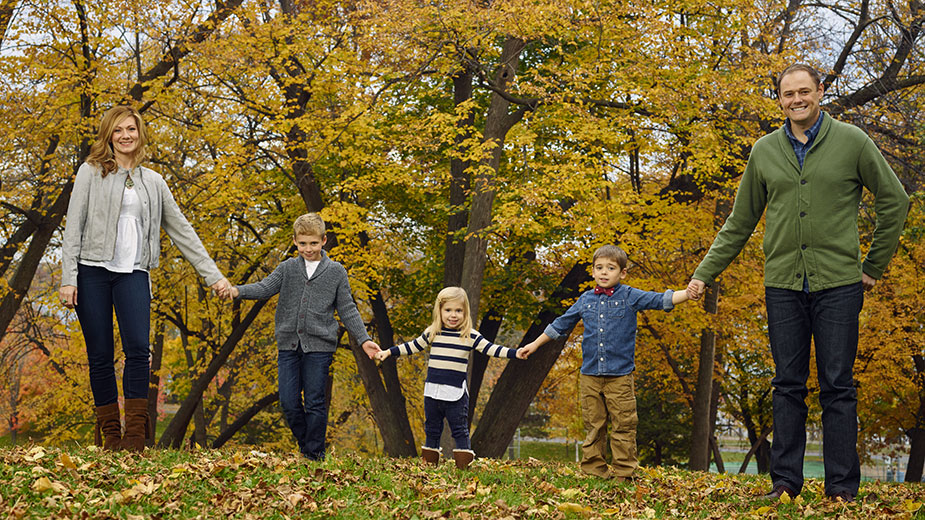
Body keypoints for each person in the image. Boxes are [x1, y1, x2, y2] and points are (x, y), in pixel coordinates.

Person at [687, 64, 910, 502]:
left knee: (837, 386)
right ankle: (784, 484)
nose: (796, 100)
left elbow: (895, 201)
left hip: (840, 285)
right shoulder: (764, 151)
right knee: (787, 384)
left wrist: (873, 266)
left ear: (820, 92)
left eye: (804, 91)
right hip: (784, 285)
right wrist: (704, 272)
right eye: (788, 94)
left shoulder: (852, 142)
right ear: (780, 99)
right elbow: (740, 221)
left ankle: (841, 489)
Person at [59, 105, 232, 451]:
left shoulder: (153, 182)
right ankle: (110, 435)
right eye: (119, 130)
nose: (125, 135)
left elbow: (182, 230)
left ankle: (135, 436)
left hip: (134, 273)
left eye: (131, 130)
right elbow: (73, 226)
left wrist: (213, 276)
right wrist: (69, 277)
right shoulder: (90, 173)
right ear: (109, 134)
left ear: (140, 135)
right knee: (101, 354)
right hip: (92, 271)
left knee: (139, 350)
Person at [519, 245, 690, 481]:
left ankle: (624, 473)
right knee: (594, 425)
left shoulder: (630, 296)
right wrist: (534, 345)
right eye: (599, 267)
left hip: (620, 376)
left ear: (622, 273)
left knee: (623, 425)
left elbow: (660, 299)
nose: (604, 272)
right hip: (590, 375)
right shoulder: (585, 299)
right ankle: (594, 471)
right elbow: (560, 324)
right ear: (592, 271)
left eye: (611, 268)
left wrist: (688, 293)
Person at [221, 213, 380, 460]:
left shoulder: (336, 272)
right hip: (288, 345)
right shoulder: (287, 269)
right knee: (288, 401)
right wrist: (236, 291)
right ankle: (308, 446)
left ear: (324, 241)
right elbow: (264, 288)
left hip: (320, 347)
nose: (308, 249)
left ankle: (313, 455)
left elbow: (347, 309)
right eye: (303, 243)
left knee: (315, 401)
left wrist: (363, 339)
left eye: (313, 243)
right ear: (295, 241)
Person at [375, 286, 529, 469]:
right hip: (432, 392)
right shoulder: (433, 332)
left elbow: (491, 349)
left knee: (460, 430)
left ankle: (464, 467)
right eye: (448, 310)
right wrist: (388, 352)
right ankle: (429, 465)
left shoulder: (470, 336)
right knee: (432, 428)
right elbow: (412, 346)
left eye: (458, 310)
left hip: (455, 394)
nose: (453, 315)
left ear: (466, 313)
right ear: (439, 311)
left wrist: (515, 353)